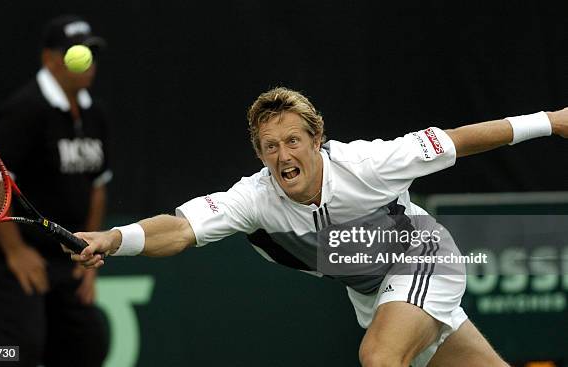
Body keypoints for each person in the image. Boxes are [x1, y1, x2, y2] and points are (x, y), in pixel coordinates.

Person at [70, 87, 568, 366]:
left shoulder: (371, 164)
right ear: (260, 154)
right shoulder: (255, 199)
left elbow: (460, 141)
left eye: (293, 141)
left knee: (378, 358)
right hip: (375, 295)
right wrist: (115, 239)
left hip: (423, 257)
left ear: (317, 140)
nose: (283, 155)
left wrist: (551, 120)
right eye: (270, 146)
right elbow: (178, 230)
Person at [0, 15, 111, 367]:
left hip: (62, 249)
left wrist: (87, 251)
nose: (88, 62)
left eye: (92, 52)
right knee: (16, 353)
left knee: (88, 343)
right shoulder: (24, 110)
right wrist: (15, 250)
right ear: (50, 59)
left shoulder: (95, 115)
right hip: (12, 252)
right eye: (78, 53)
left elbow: (98, 186)